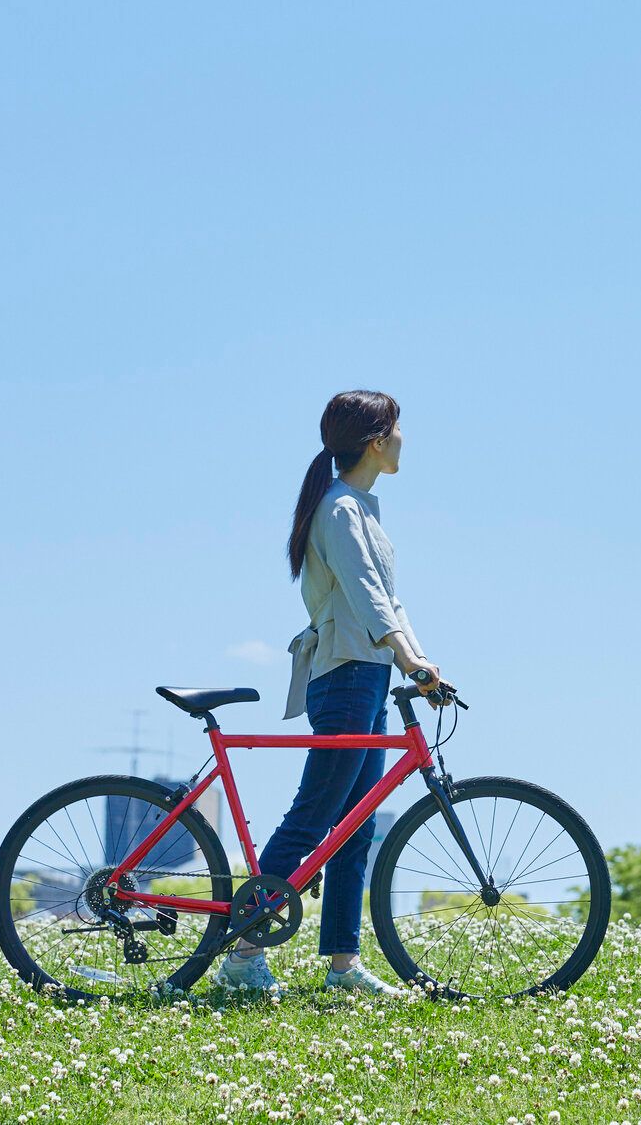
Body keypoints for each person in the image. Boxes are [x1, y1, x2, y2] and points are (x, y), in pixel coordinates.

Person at [215, 389, 446, 998]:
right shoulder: (340, 509)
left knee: (354, 827)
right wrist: (407, 658)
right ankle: (242, 957)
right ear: (376, 441)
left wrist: (418, 662)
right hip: (346, 675)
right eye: (398, 429)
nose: (404, 440)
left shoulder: (360, 508)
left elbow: (390, 601)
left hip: (367, 674)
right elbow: (366, 593)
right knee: (315, 817)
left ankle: (343, 966)